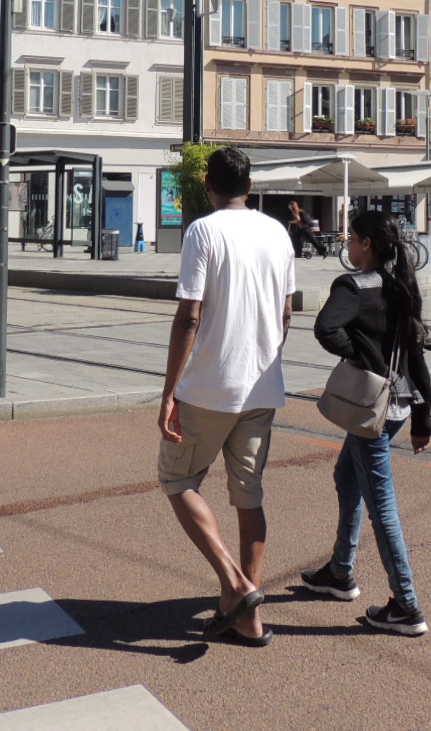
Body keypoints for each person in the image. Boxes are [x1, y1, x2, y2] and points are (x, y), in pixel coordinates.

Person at [159, 147, 296, 647]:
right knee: (249, 495)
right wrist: (265, 359)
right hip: (262, 385)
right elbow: (286, 313)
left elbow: (189, 316)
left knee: (177, 478)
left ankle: (235, 585)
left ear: (209, 188)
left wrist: (169, 389)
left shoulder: (203, 231)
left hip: (208, 387)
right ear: (250, 186)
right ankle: (248, 617)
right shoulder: (277, 231)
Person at [303, 209, 431, 636]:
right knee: (346, 476)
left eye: (352, 237)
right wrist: (423, 418)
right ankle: (340, 572)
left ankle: (406, 605)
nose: (348, 244)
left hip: (370, 409)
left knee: (383, 510)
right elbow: (415, 354)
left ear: (366, 245)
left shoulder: (354, 286)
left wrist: (359, 356)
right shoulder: (401, 285)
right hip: (398, 408)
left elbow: (325, 328)